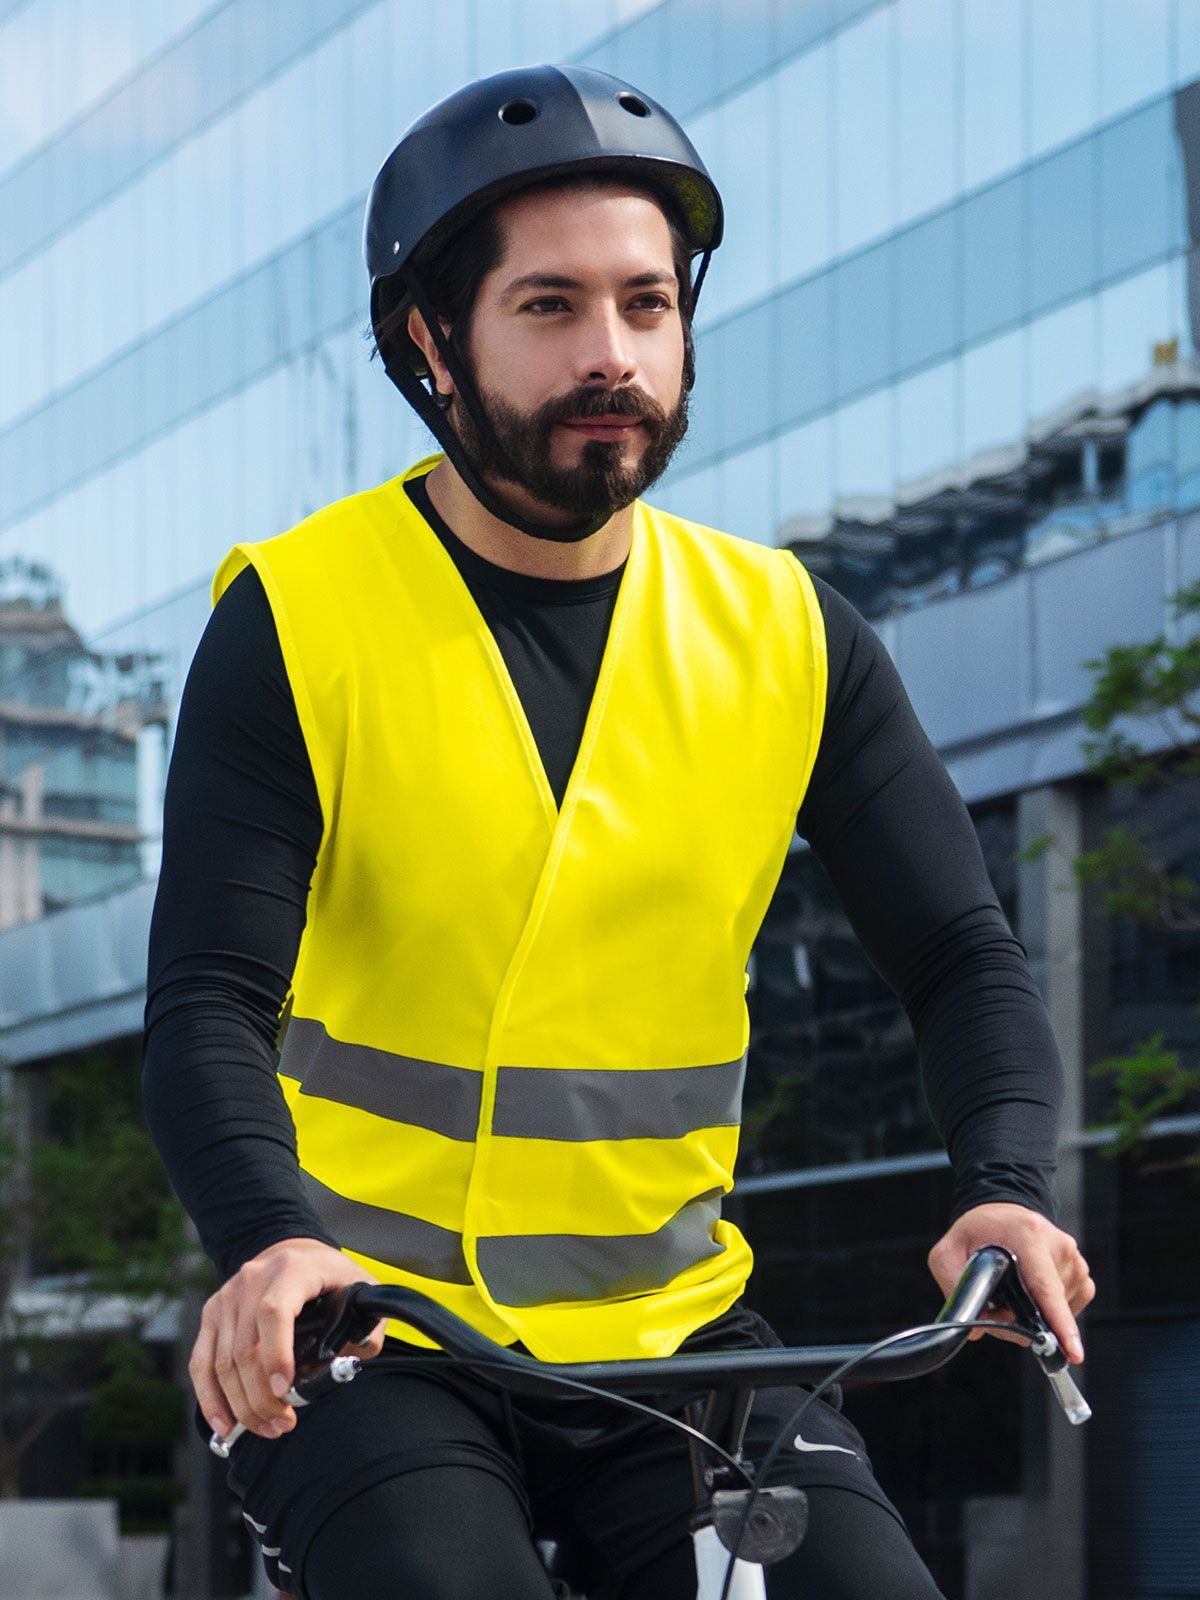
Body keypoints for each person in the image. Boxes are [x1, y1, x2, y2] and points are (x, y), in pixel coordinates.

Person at [142, 64, 1095, 1600]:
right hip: (364, 1329)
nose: (612, 354)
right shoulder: (297, 621)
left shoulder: (790, 634)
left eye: (647, 306)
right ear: (429, 341)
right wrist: (272, 1241)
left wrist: (1006, 1186)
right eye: (550, 307)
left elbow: (963, 956)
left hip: (678, 1340)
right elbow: (205, 1003)